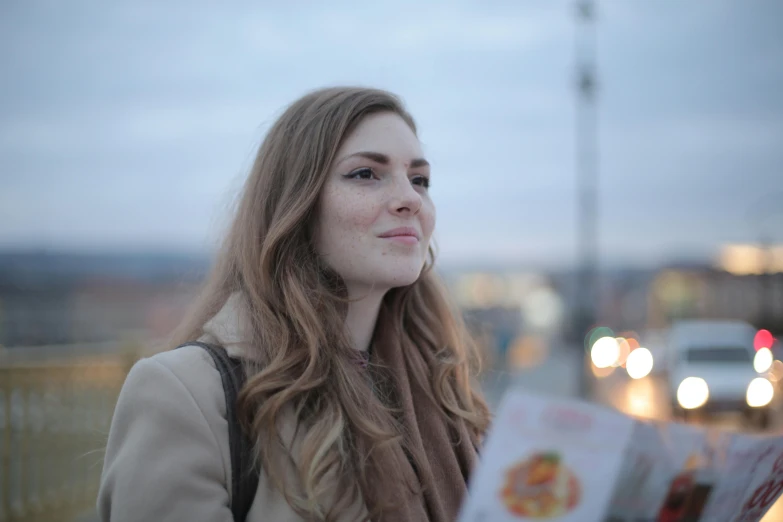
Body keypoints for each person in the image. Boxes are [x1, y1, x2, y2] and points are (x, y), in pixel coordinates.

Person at [98, 86, 491, 522]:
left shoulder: (444, 389)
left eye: (419, 179)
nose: (411, 199)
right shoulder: (185, 394)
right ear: (296, 203)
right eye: (366, 174)